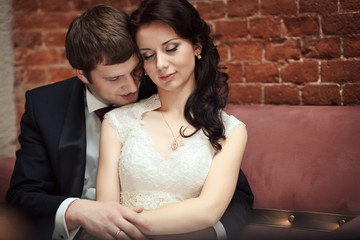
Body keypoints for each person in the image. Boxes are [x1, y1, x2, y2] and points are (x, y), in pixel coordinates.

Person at [96, 0, 253, 239]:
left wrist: (124, 226)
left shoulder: (231, 130)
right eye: (148, 55)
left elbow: (208, 211)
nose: (161, 64)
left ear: (197, 46)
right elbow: (106, 209)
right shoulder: (117, 122)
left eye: (171, 49)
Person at [6, 5, 153, 240]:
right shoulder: (44, 105)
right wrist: (76, 210)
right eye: (114, 78)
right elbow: (22, 195)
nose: (132, 87)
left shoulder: (159, 90)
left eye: (136, 71)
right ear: (82, 75)